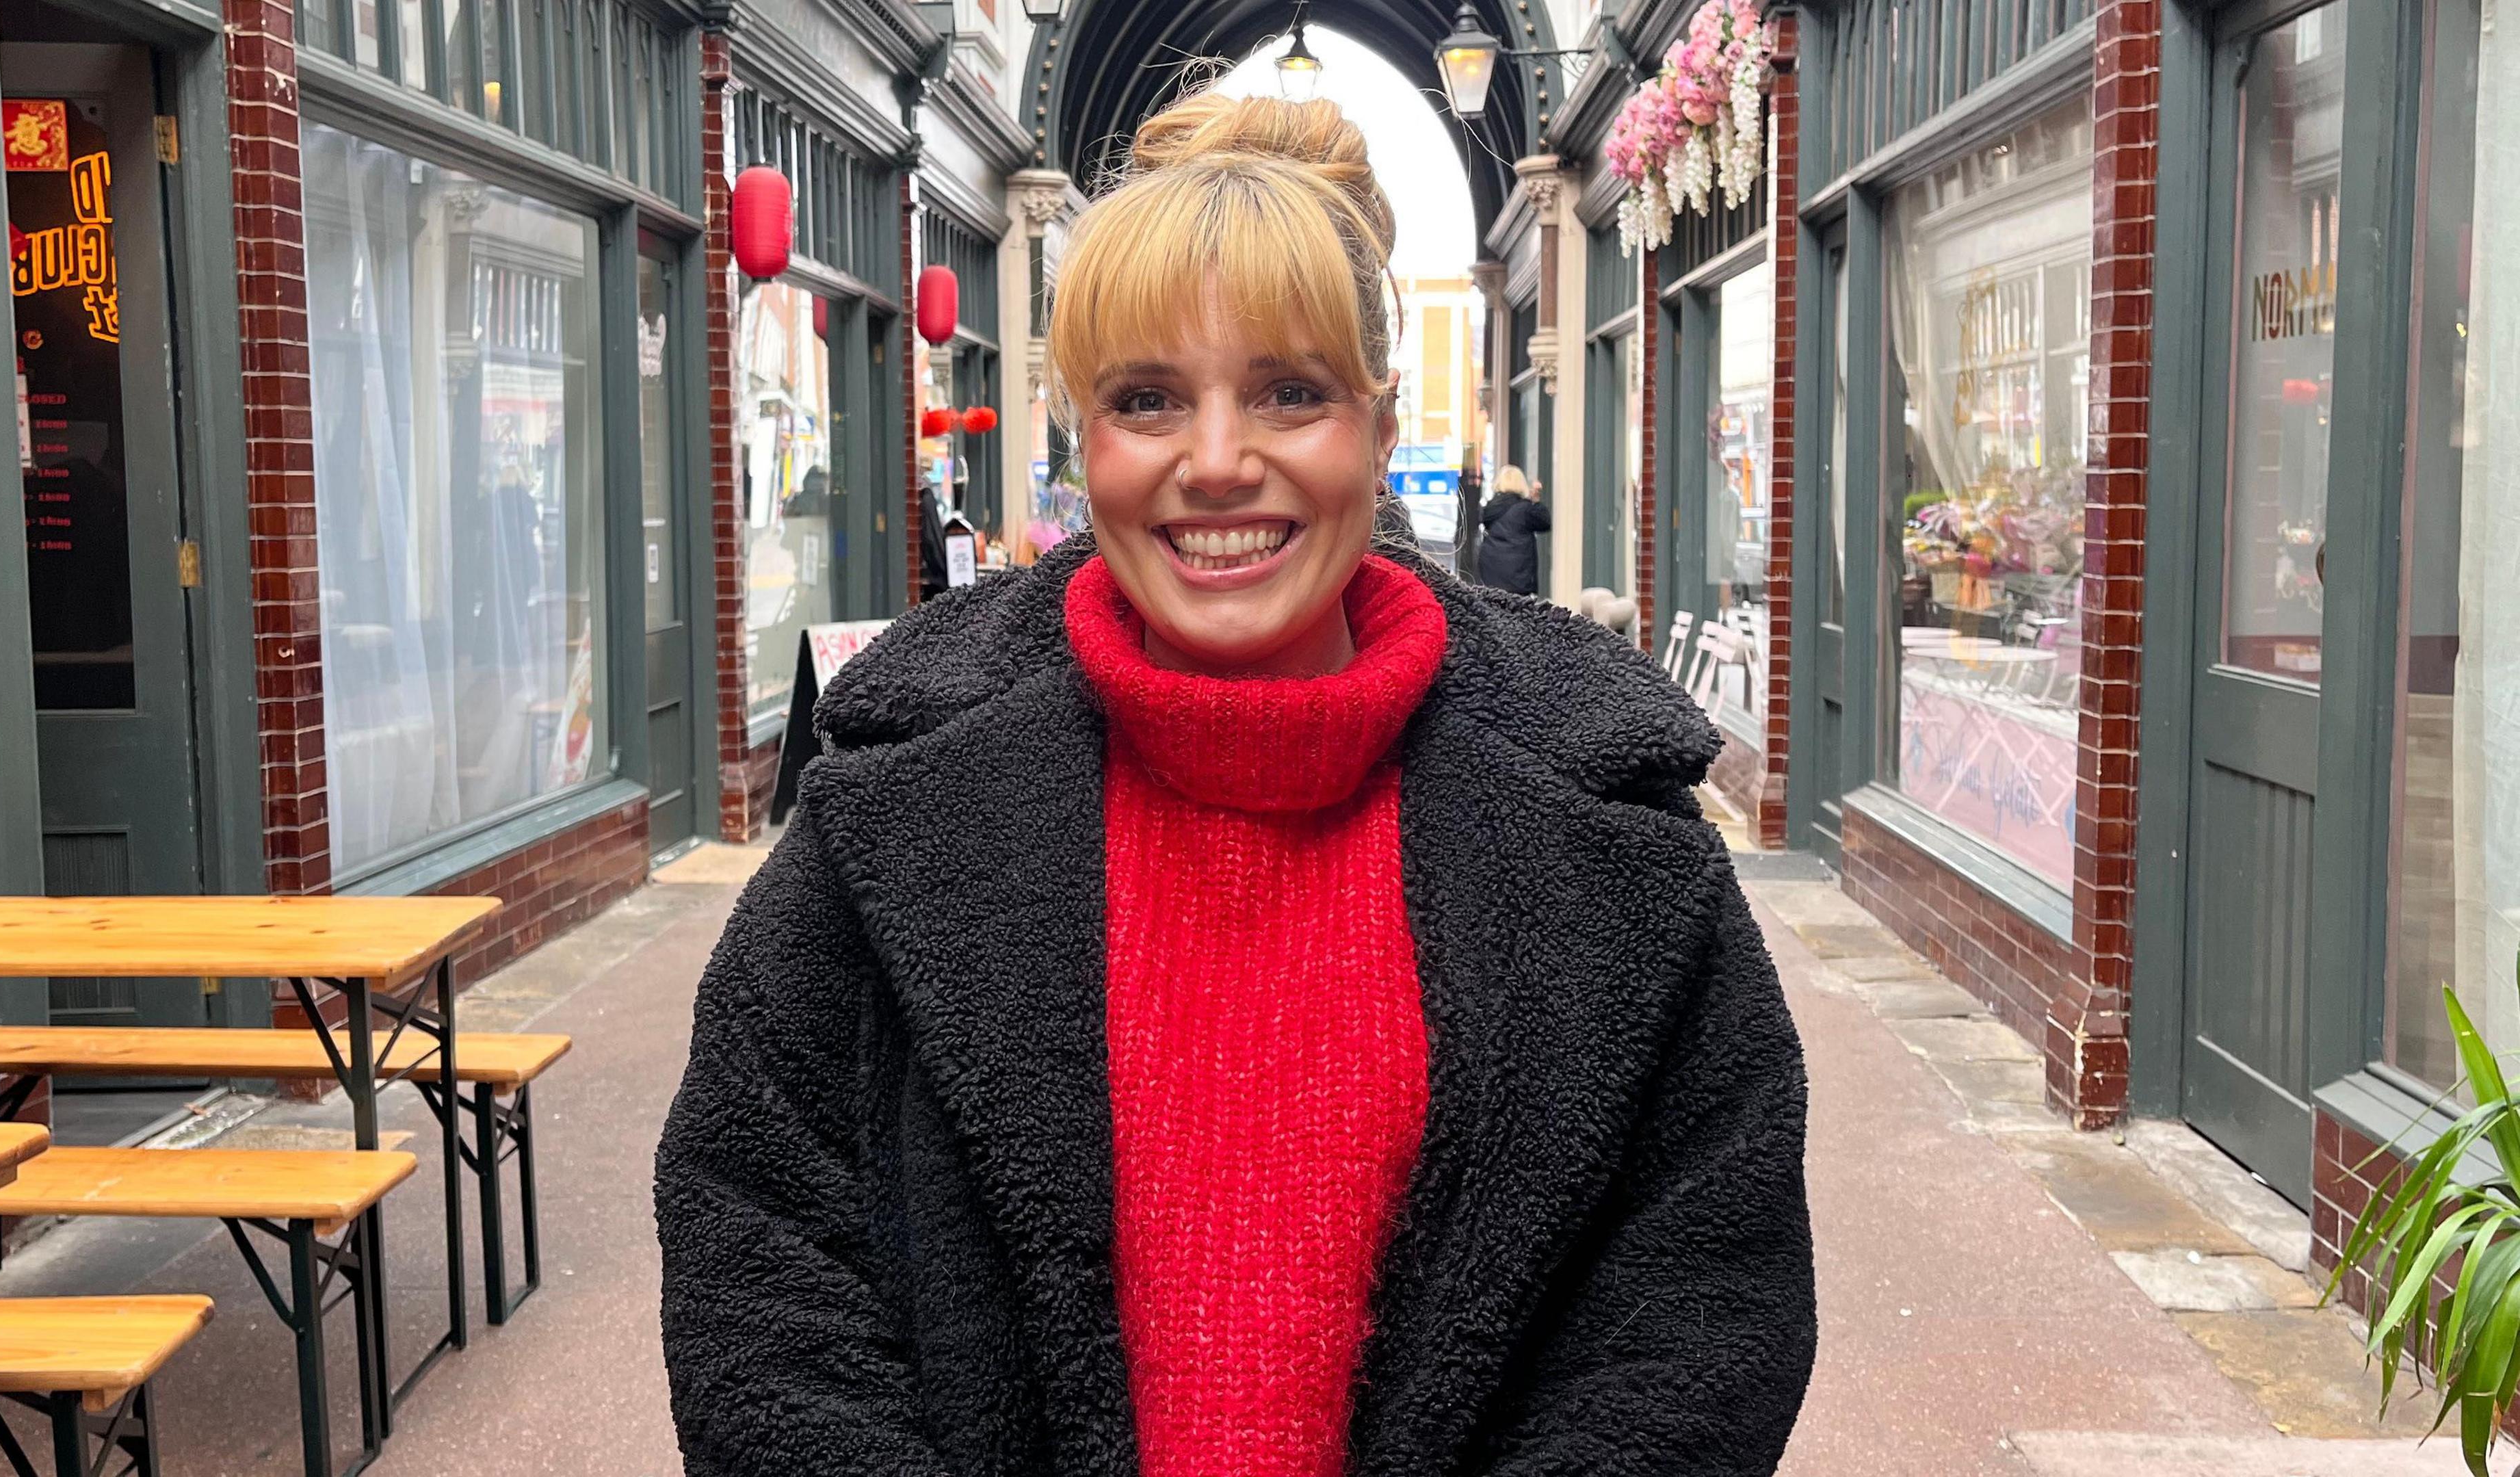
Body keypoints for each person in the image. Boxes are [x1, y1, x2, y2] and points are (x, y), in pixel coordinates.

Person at [656, 87, 1815, 1477]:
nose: (1217, 461)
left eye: (1290, 391)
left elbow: (1699, 1306)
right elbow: (761, 1251)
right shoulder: (889, 809)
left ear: (1379, 428)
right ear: (1086, 441)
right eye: (1148, 399)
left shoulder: (1611, 830)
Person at [1476, 462, 1549, 596]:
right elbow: (1545, 523)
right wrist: (1536, 502)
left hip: (1491, 570)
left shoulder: (1490, 508)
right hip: (1518, 573)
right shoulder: (1525, 510)